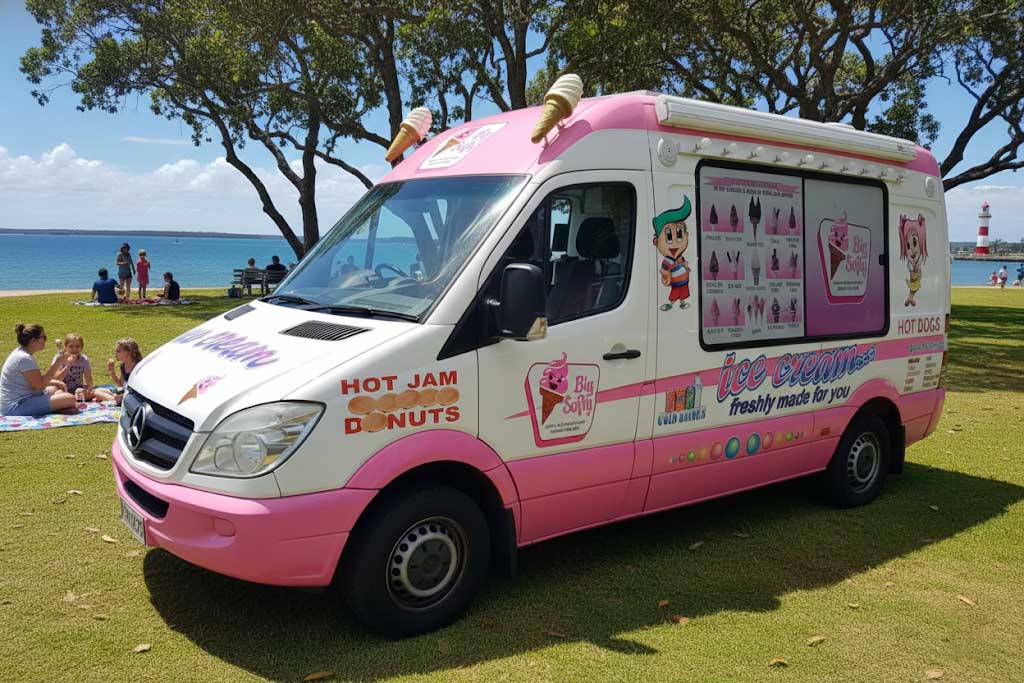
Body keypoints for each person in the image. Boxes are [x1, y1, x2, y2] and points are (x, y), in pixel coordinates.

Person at [0, 324, 77, 416]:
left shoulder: (21, 353)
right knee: (70, 398)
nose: (45, 340)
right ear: (33, 341)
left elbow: (34, 382)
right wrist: (57, 363)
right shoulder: (24, 359)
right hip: (15, 407)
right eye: (43, 337)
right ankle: (60, 407)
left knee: (55, 388)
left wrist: (52, 382)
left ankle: (60, 406)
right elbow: (40, 386)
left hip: (24, 397)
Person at [51, 333, 115, 403]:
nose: (74, 349)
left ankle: (115, 400)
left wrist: (86, 391)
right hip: (62, 390)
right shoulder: (59, 358)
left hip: (78, 389)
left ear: (81, 347)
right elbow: (56, 379)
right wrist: (68, 365)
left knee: (93, 392)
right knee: (58, 394)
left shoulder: (83, 359)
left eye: (77, 346)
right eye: (71, 346)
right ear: (66, 347)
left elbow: (89, 381)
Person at [106, 338, 143, 405]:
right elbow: (120, 385)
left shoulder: (137, 367)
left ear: (128, 352)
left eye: (118, 351)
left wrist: (122, 396)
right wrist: (112, 371)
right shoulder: (123, 365)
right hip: (124, 392)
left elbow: (138, 391)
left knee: (96, 393)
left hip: (134, 396)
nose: (115, 354)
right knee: (98, 391)